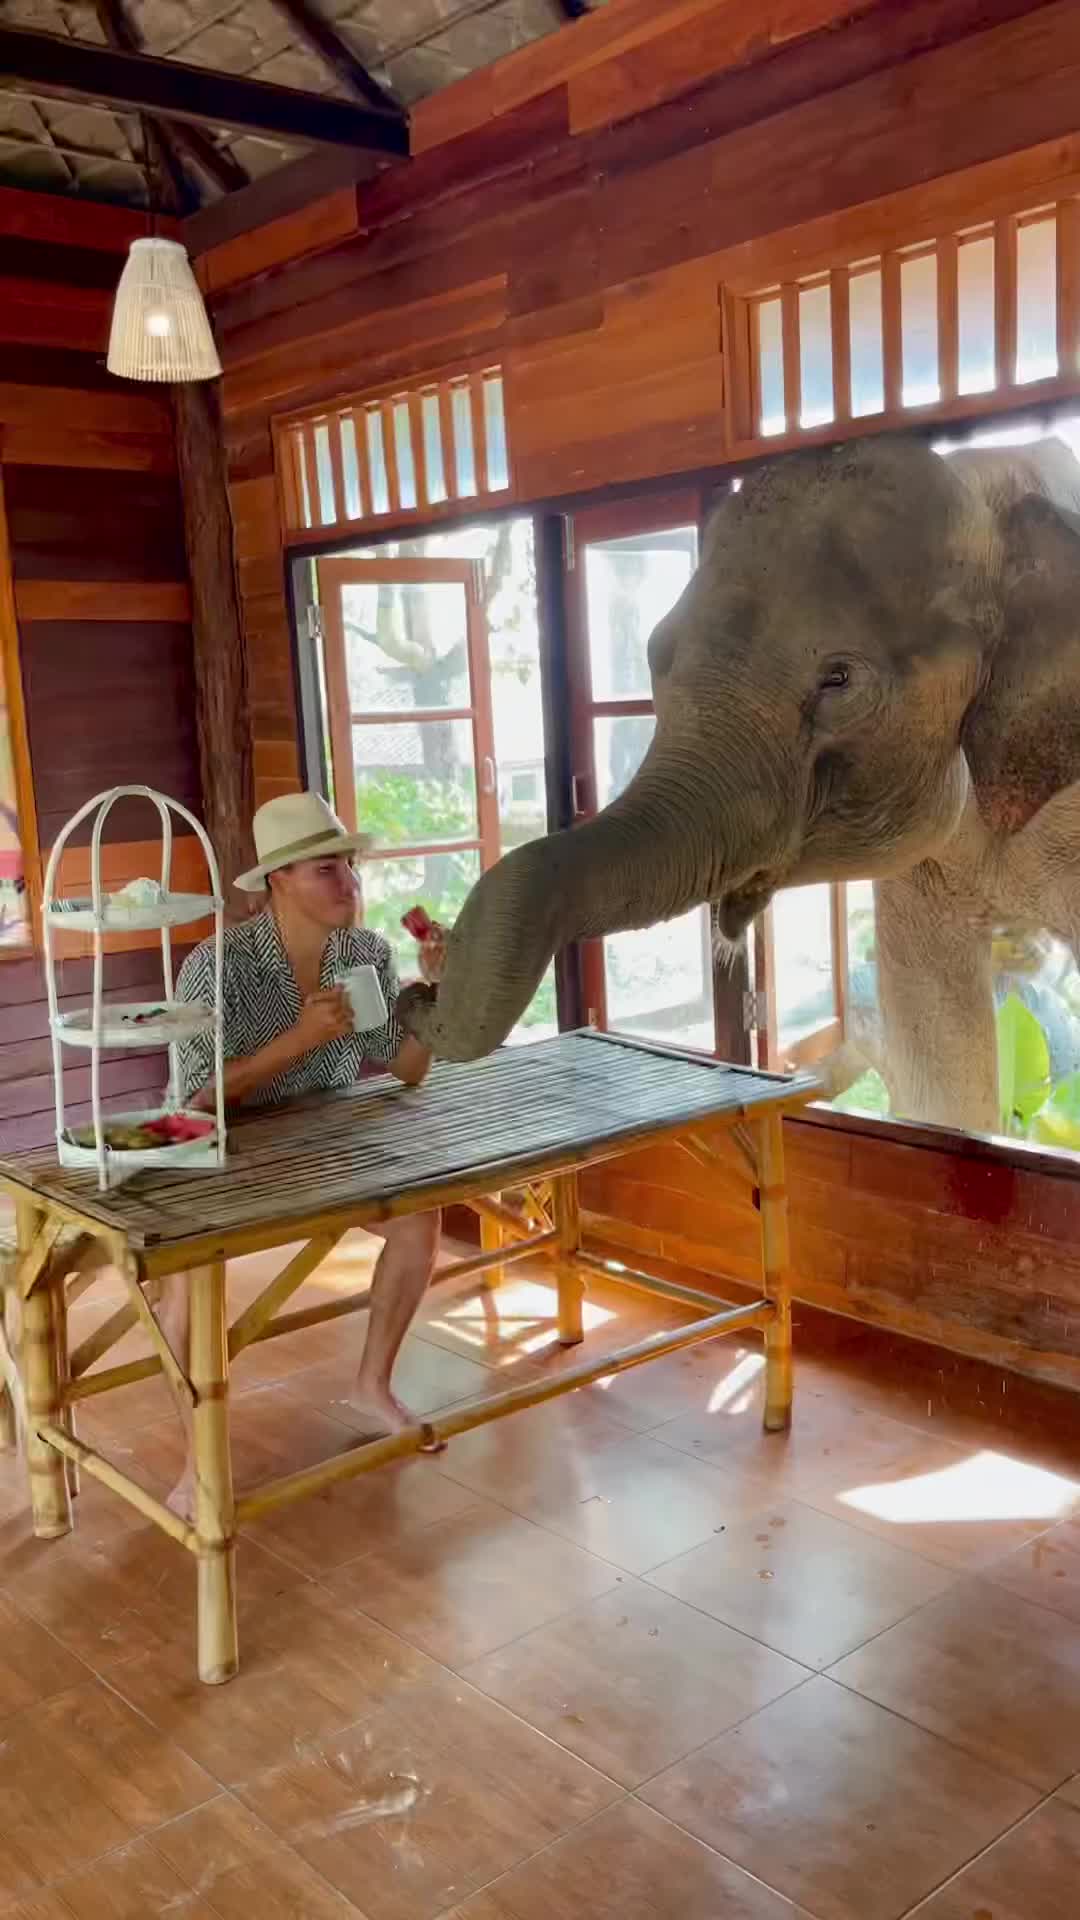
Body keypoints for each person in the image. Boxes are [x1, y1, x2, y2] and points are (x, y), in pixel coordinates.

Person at [158, 790, 444, 1518]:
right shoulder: (213, 967)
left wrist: (441, 989)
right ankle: (197, 1460)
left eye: (349, 864)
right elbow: (193, 1102)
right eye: (327, 868)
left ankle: (372, 1384)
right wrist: (298, 1042)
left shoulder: (366, 954)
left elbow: (403, 1066)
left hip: (323, 1140)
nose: (349, 881)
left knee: (418, 1217)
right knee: (187, 1285)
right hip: (217, 1147)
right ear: (278, 880)